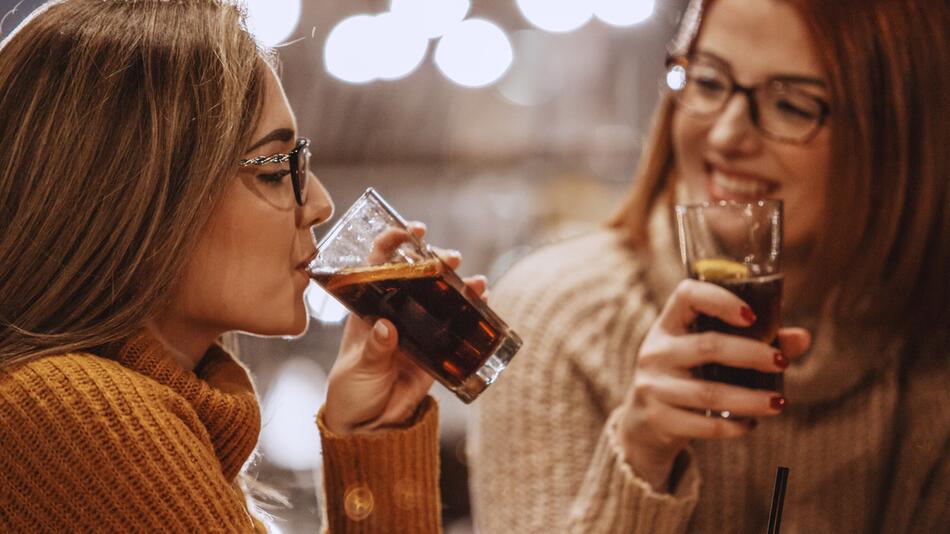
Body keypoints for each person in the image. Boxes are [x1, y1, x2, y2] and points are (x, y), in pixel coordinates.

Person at [469, 0, 949, 533]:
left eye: (792, 105)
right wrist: (640, 457)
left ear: (898, 137)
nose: (725, 137)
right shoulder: (556, 316)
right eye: (709, 81)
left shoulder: (929, 358)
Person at [0, 1, 465, 532]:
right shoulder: (79, 410)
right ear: (138, 193)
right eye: (274, 169)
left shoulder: (110, 406)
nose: (319, 203)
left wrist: (370, 439)